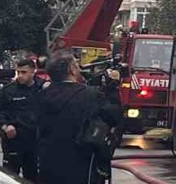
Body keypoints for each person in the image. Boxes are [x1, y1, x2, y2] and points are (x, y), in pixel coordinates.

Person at [37, 50, 122, 184]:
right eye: (76, 64)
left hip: (48, 165)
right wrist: (113, 87)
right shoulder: (90, 96)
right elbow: (113, 116)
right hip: (81, 165)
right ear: (72, 69)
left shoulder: (42, 96)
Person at [0, 58, 41, 180]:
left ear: (33, 72)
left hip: (35, 142)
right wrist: (5, 126)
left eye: (24, 72)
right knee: (10, 177)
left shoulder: (42, 89)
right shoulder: (8, 91)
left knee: (33, 177)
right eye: (18, 72)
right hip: (14, 140)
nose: (20, 76)